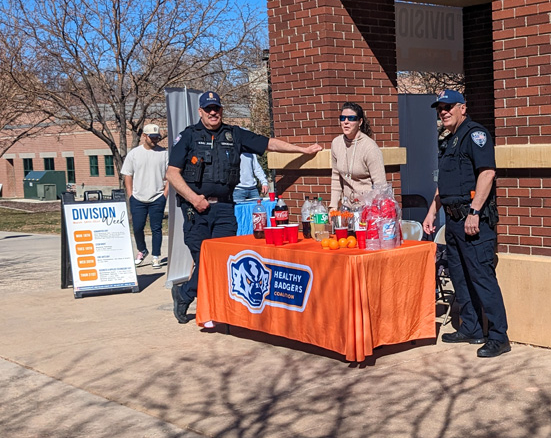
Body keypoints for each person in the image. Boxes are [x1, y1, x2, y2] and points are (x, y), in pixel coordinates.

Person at [166, 91, 322, 323]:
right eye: (208, 109)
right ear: (200, 112)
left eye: (216, 108)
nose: (212, 112)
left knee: (220, 260)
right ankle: (189, 297)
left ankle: (189, 295)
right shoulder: (188, 136)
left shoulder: (234, 134)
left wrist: (302, 150)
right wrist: (193, 198)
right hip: (196, 209)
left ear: (221, 110)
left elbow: (268, 144)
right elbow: (172, 173)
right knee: (204, 260)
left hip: (226, 207)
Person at [423, 89, 510, 358]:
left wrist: (474, 211)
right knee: (460, 276)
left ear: (463, 107)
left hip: (473, 221)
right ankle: (470, 327)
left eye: (449, 106)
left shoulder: (475, 135)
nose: (444, 111)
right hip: (452, 220)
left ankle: (498, 336)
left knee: (482, 278)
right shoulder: (449, 140)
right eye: (440, 108)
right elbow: (445, 184)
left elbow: (487, 173)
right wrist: (431, 212)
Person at [121, 123, 169, 269]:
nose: (155, 140)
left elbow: (171, 175)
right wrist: (130, 194)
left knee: (156, 228)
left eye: (157, 137)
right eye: (152, 137)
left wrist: (164, 194)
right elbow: (128, 175)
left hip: (157, 197)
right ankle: (142, 250)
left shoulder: (164, 153)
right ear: (144, 136)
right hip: (137, 198)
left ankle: (156, 256)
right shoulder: (134, 154)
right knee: (137, 227)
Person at [329, 102, 387, 211]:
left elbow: (381, 185)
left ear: (360, 122)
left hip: (367, 207)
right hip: (346, 206)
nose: (346, 122)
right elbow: (336, 177)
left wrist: (376, 211)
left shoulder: (369, 147)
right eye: (342, 118)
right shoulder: (336, 143)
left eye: (351, 118)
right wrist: (333, 205)